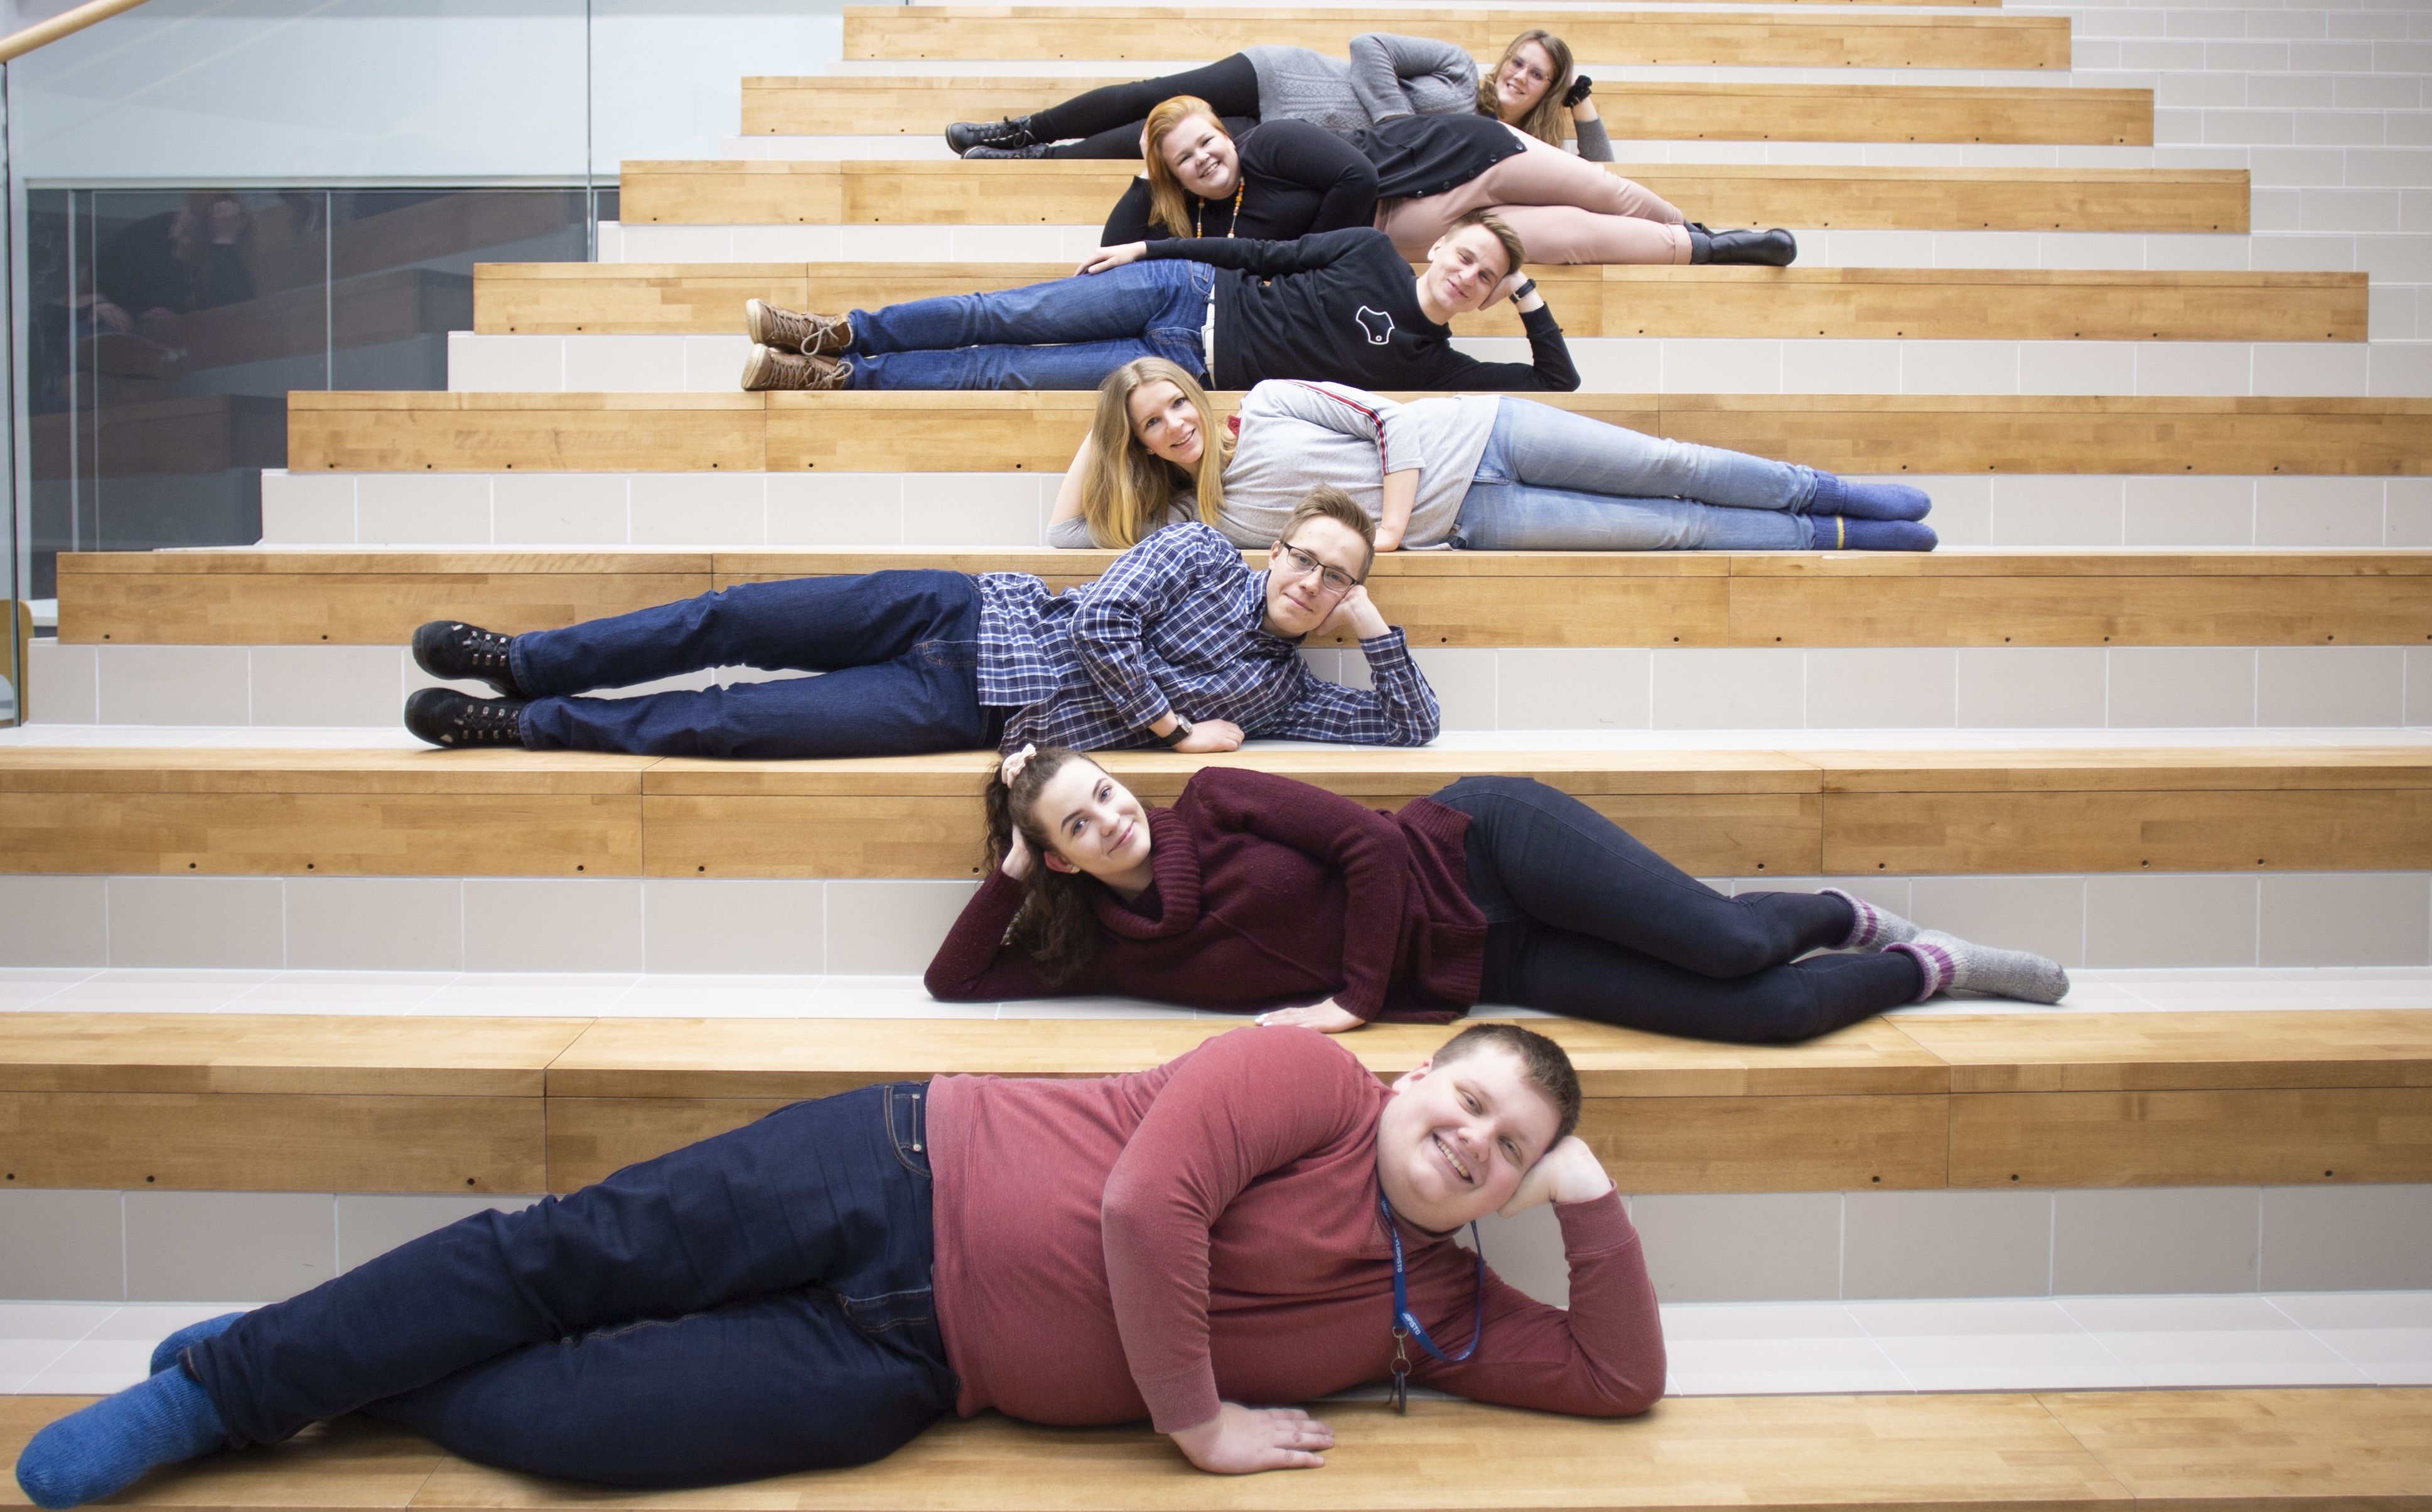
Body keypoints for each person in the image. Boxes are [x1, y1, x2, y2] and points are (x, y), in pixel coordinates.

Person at [13, 1021, 1662, 1508]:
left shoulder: (1440, 1316)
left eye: (1510, 1145)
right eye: (1468, 1095)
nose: (1473, 1137)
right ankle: (229, 1389)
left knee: (585, 1434)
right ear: (1412, 1074)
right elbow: (1144, 1210)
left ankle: (335, 1363)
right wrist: (1200, 1426)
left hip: (915, 1368)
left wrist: (1591, 1203)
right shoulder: (1303, 1078)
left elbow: (1611, 1379)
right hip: (893, 1173)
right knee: (565, 1261)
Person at [929, 748, 2071, 1038]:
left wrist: (1350, 1005)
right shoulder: (1115, 946)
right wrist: (1017, 852)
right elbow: (955, 977)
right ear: (1064, 859)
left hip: (1484, 850)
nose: (1113, 812)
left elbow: (1373, 854)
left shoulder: (1219, 798)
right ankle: (1934, 966)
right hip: (1490, 966)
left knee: (1728, 943)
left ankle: (1838, 913)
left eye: (1105, 789)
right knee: (1766, 1013)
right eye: (1078, 821)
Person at [395, 490, 1437, 758]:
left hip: (962, 707)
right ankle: (524, 661)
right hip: (963, 606)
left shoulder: (1283, 693)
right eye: (1303, 556)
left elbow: (1408, 724)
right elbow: (1105, 624)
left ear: (1340, 597)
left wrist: (1374, 612)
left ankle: (522, 725)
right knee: (729, 618)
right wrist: (1171, 728)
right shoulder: (1203, 549)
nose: (1308, 579)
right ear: (1276, 550)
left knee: (730, 724)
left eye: (1332, 578)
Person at [1050, 360, 1939, 554]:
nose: (1173, 424)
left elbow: (1390, 423)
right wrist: (1099, 428)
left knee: (1675, 466)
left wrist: (1389, 525)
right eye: (1149, 425)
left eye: (1174, 402)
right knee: (1676, 531)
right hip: (1471, 517)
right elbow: (1062, 543)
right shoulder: (1191, 517)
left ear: (1194, 398)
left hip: (1485, 433)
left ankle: (1830, 491)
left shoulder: (1272, 403)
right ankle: (1836, 535)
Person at [738, 211, 1574, 394]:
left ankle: (838, 378)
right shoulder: (1364, 249)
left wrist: (1528, 293)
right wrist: (1150, 247)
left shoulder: (1433, 364)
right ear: (1439, 246)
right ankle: (834, 333)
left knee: (1006, 371)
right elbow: (1258, 253)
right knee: (1004, 315)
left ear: (1485, 296)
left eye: (1484, 277)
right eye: (1463, 254)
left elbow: (1555, 382)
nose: (1464, 274)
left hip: (1184, 366)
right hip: (1189, 286)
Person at [1099, 95, 1792, 267]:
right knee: (1571, 237)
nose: (1205, 159)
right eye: (1185, 159)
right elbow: (1111, 250)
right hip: (1415, 224)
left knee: (1602, 190)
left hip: (1454, 152)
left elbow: (1355, 175)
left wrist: (1298, 256)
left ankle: (1693, 227)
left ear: (1224, 132)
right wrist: (1140, 174)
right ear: (1174, 174)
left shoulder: (1267, 144)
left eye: (1206, 141)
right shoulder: (1200, 220)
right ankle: (1715, 250)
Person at [948, 28, 1613, 161]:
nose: (1521, 76)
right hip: (1283, 77)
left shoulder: (1507, 142)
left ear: (1546, 92)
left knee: (1165, 142)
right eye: (1519, 62)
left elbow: (1597, 180)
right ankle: (1018, 130)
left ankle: (1035, 162)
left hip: (1291, 141)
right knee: (1151, 95)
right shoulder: (1460, 73)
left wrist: (1584, 109)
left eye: (1538, 76)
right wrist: (1397, 121)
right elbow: (1368, 47)